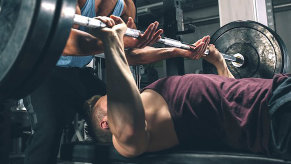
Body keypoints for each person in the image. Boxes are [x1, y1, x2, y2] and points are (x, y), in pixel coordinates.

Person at [24, 0, 210, 164]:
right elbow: (65, 42)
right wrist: (115, 40)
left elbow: (129, 55)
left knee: (125, 117)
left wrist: (174, 52)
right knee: (48, 132)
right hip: (45, 71)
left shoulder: (127, 6)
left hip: (79, 74)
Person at [85, 15, 291, 160]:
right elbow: (128, 127)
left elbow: (231, 98)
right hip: (271, 115)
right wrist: (112, 42)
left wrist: (219, 63)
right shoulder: (124, 142)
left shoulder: (145, 100)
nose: (111, 90)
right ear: (106, 123)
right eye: (108, 97)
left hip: (276, 92)